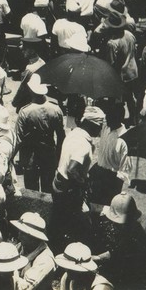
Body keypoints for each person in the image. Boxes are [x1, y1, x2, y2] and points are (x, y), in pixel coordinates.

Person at [49, 106, 104, 251]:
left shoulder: (73, 134)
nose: (100, 131)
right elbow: (72, 169)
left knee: (59, 222)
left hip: (59, 183)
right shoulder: (84, 145)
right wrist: (83, 182)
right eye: (99, 127)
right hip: (69, 190)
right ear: (92, 124)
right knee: (76, 226)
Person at [15, 74, 64, 192]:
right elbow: (61, 137)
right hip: (49, 155)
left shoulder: (25, 111)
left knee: (32, 191)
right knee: (48, 190)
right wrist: (58, 157)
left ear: (31, 90)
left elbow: (19, 139)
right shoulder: (56, 109)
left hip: (31, 156)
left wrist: (12, 157)